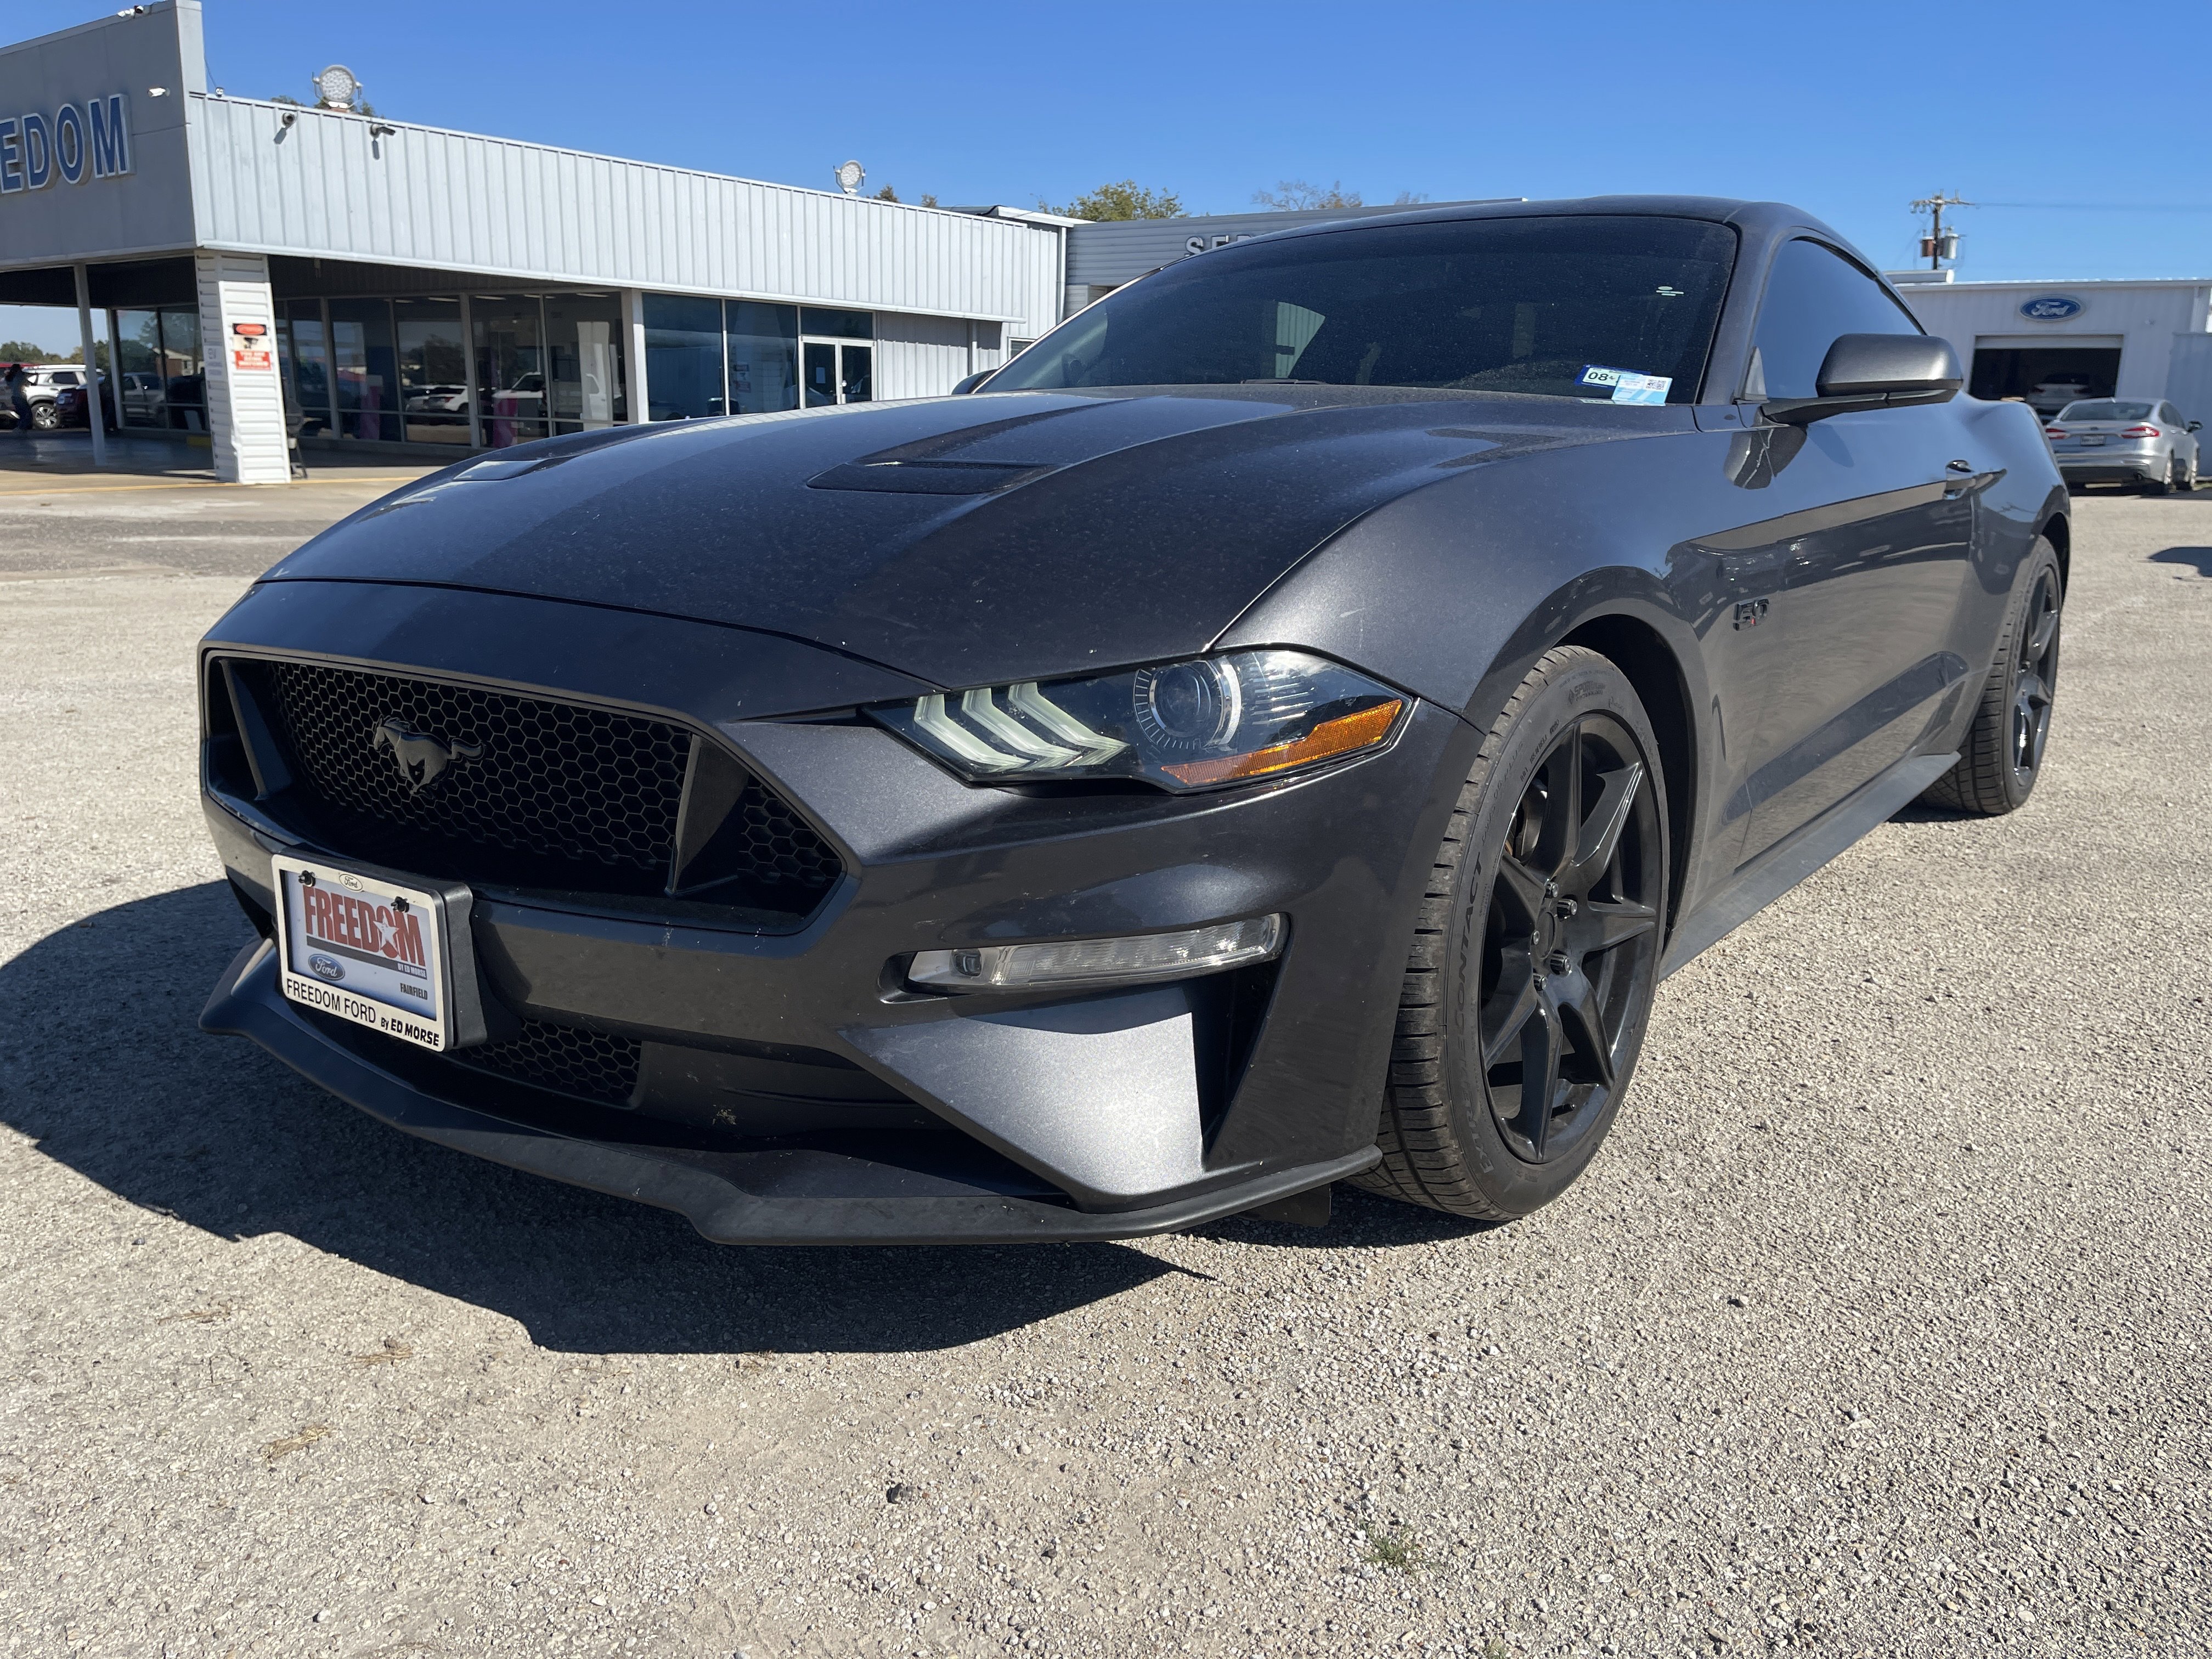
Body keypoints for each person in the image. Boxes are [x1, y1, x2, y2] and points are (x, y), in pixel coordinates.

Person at [4, 364, 29, 436]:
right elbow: (27, 382)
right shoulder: (19, 376)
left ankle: (21, 429)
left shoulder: (10, 377)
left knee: (22, 414)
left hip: (14, 397)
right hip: (20, 397)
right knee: (27, 414)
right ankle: (21, 428)